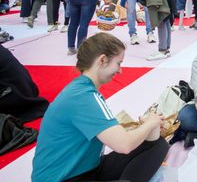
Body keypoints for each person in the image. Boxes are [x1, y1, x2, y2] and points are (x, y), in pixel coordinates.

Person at [31, 33, 169, 182]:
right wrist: (151, 122)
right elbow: (124, 145)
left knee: (157, 145)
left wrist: (146, 128)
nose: (120, 70)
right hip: (66, 178)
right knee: (147, 144)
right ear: (103, 60)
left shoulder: (81, 90)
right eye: (118, 63)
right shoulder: (83, 97)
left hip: (85, 168)